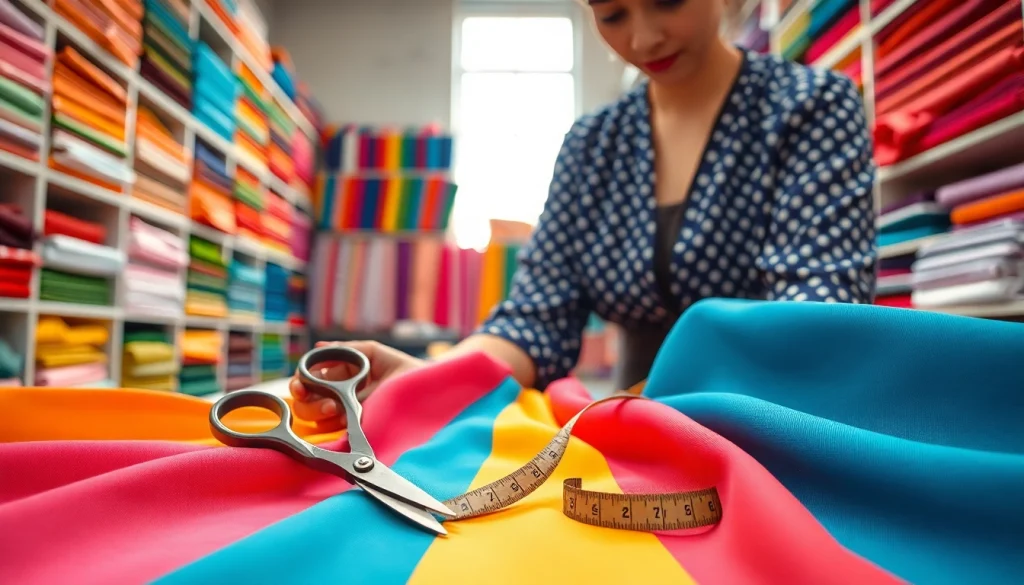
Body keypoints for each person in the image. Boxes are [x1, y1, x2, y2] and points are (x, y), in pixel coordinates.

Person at [289, 0, 877, 427]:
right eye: (612, 14)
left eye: (667, 1)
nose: (644, 39)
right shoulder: (592, 145)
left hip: (780, 421)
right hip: (636, 434)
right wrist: (422, 378)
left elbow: (818, 311)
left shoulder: (811, 108)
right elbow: (534, 321)